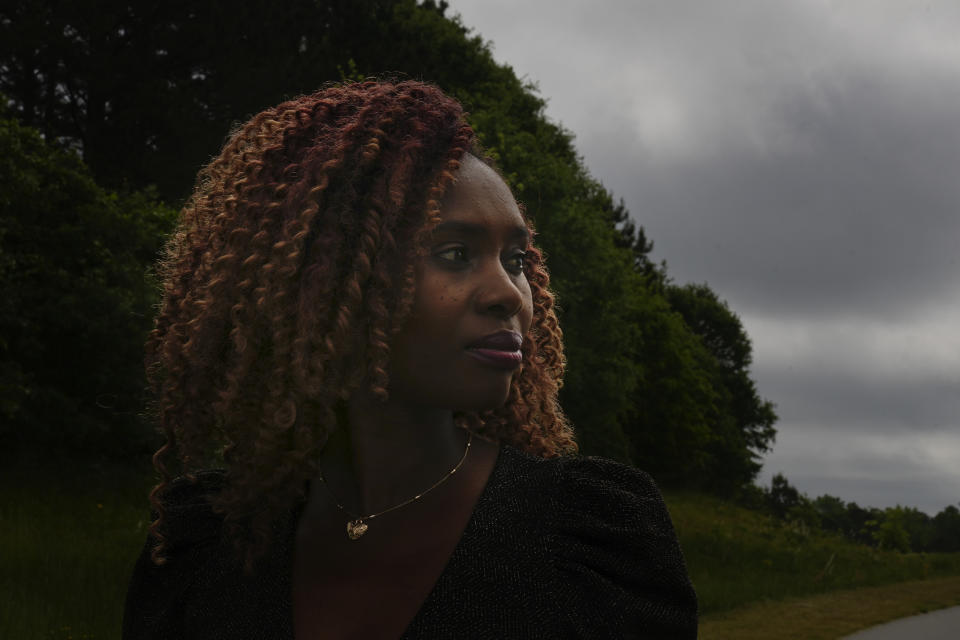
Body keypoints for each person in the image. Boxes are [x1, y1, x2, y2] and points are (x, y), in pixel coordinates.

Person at [123, 80, 697, 639]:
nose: (509, 294)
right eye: (455, 253)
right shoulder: (204, 546)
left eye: (517, 259)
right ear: (325, 283)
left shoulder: (590, 540)